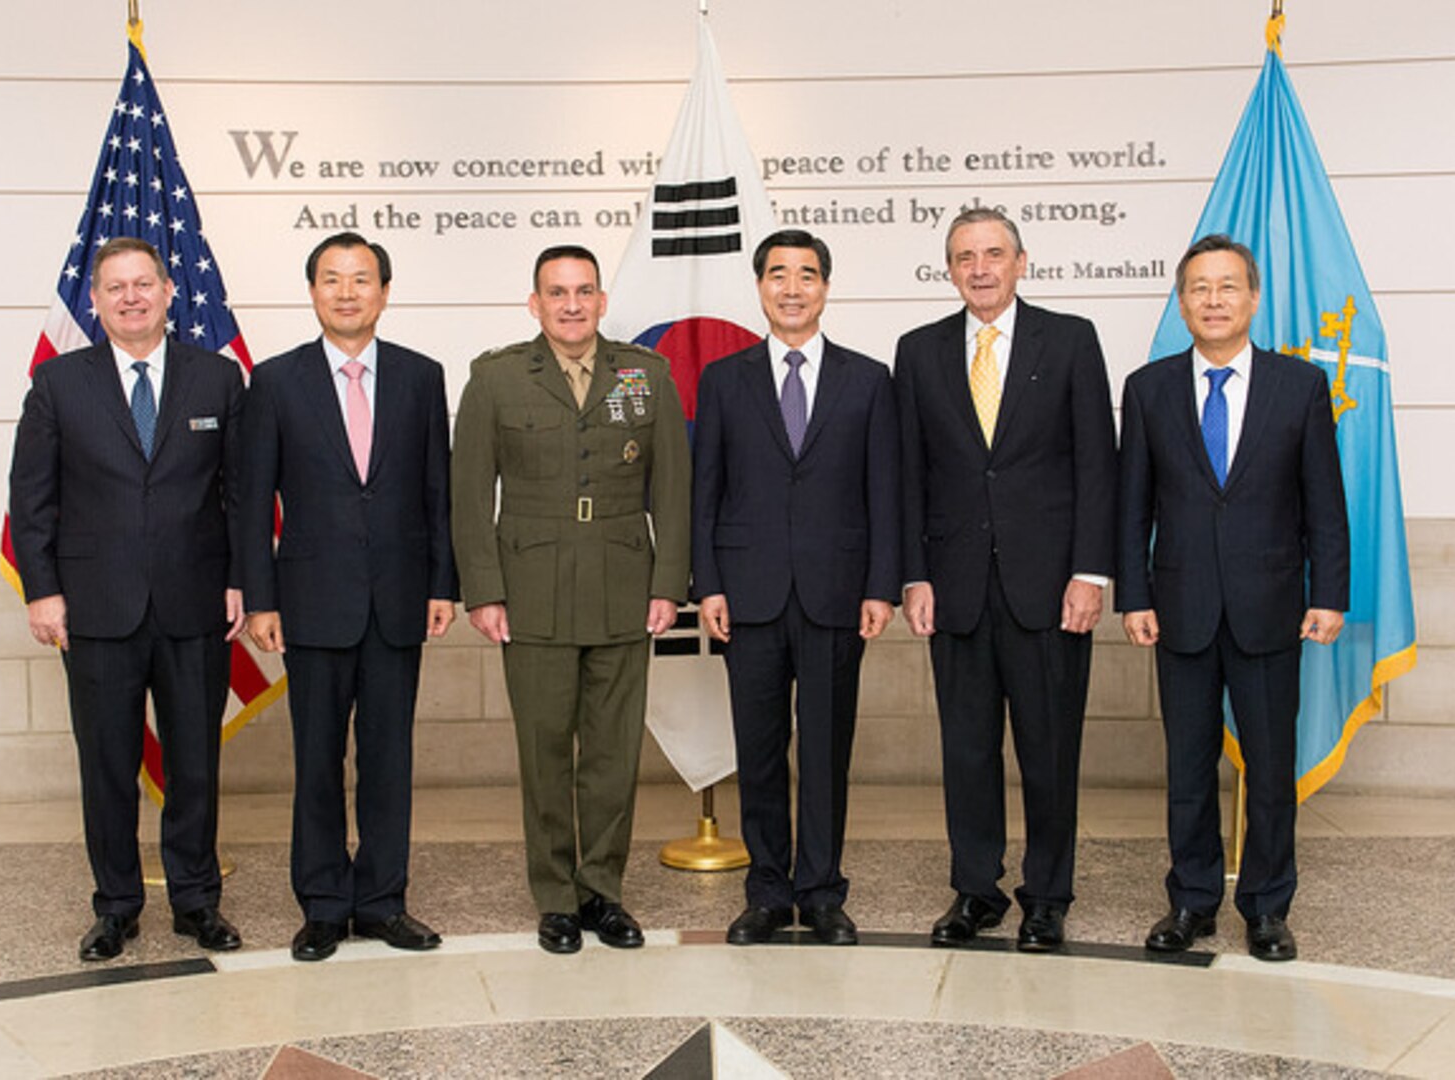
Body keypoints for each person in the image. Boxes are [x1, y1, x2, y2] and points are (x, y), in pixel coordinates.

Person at [9, 236, 246, 961]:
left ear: (171, 291)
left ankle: (196, 901)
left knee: (195, 764)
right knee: (107, 765)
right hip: (95, 608)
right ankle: (115, 906)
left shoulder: (217, 379)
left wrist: (241, 580)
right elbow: (32, 497)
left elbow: (240, 493)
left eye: (144, 284)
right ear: (95, 300)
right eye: (116, 287)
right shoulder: (58, 384)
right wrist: (44, 591)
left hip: (195, 602)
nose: (132, 297)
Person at [450, 244, 689, 955]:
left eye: (584, 291)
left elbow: (671, 485)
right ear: (535, 304)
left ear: (602, 302)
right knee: (545, 749)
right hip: (530, 590)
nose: (572, 304)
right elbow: (468, 496)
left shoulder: (642, 377)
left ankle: (602, 892)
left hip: (622, 582)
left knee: (613, 755)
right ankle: (554, 896)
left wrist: (667, 584)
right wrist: (483, 592)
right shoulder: (495, 379)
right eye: (557, 292)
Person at [1117, 234, 1349, 962]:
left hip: (1270, 607)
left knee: (1270, 768)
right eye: (1198, 288)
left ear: (1252, 299)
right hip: (1178, 607)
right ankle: (1190, 902)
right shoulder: (1148, 387)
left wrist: (1329, 594)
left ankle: (1267, 907)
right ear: (1180, 302)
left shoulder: (1298, 385)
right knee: (1186, 769)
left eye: (1226, 287)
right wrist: (1133, 594)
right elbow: (1132, 507)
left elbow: (1324, 501)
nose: (1212, 300)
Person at [895, 207, 1118, 952]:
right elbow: (908, 475)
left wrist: (1090, 572)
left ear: (1021, 262)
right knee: (965, 748)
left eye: (993, 253)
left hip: (1049, 586)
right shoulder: (918, 351)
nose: (979, 268)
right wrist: (913, 575)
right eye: (964, 257)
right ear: (949, 269)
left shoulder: (1071, 340)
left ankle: (1047, 895)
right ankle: (975, 891)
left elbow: (1097, 463)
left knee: (1049, 749)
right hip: (954, 585)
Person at [239, 232, 457, 962]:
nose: (346, 292)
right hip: (311, 602)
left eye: (361, 279)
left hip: (398, 599)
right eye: (331, 279)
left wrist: (442, 585)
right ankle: (325, 904)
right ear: (312, 293)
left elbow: (437, 490)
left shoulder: (422, 376)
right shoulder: (274, 381)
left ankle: (384, 901)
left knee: (389, 759)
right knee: (319, 760)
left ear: (384, 293)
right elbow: (250, 501)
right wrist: (262, 600)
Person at [692, 230, 900, 946]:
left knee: (825, 749)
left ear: (825, 287)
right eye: (777, 274)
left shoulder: (868, 379)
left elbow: (884, 491)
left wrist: (881, 586)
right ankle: (765, 891)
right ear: (759, 287)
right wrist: (706, 583)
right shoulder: (723, 379)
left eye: (805, 275)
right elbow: (704, 492)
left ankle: (820, 891)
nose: (791, 287)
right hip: (746, 595)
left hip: (837, 593)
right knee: (757, 749)